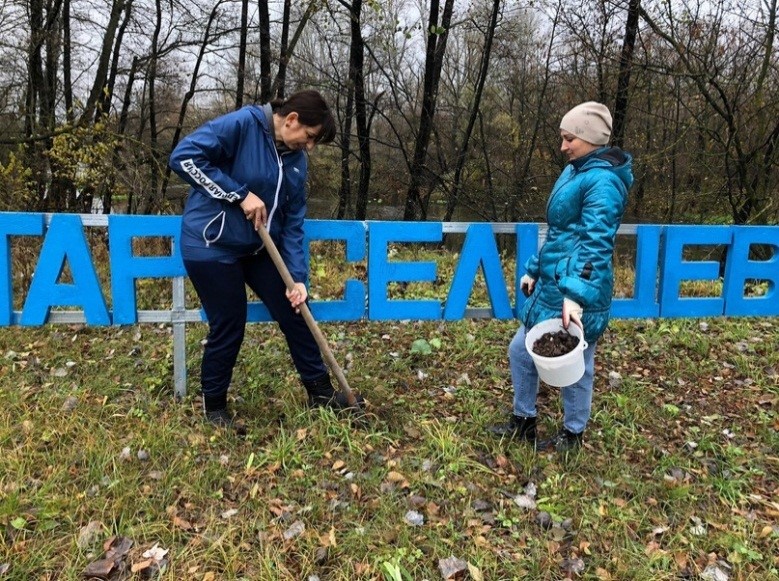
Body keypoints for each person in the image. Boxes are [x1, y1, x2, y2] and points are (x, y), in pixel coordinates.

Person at [169, 90, 362, 428]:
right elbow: (184, 157)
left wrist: (297, 277)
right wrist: (239, 194)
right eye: (311, 136)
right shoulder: (243, 125)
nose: (311, 147)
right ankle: (214, 408)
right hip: (211, 245)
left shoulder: (296, 160)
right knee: (230, 323)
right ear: (291, 120)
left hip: (258, 247)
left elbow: (292, 224)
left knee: (296, 310)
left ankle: (321, 392)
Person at [489, 101, 633, 452]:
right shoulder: (576, 171)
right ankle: (524, 422)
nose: (563, 146)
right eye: (563, 138)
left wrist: (576, 295)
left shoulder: (603, 181)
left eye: (570, 138)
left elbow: (595, 244)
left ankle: (573, 434)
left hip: (577, 292)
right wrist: (535, 270)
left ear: (590, 138)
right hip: (554, 286)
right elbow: (560, 234)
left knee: (576, 364)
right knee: (521, 351)